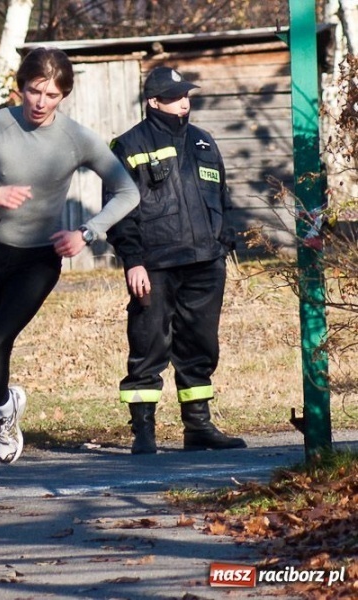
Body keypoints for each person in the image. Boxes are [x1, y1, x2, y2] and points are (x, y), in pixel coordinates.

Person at [0, 47, 140, 489]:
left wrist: (87, 232)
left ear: (63, 95)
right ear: (21, 87)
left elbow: (128, 192)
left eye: (51, 94)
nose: (40, 101)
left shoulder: (77, 139)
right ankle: (6, 406)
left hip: (40, 258)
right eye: (33, 91)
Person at [104, 66, 246, 454]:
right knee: (149, 345)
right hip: (155, 265)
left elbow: (221, 198)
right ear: (153, 101)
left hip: (205, 262)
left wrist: (223, 243)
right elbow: (119, 210)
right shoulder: (129, 145)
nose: (184, 101)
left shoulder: (204, 141)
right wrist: (132, 260)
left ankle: (198, 427)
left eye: (187, 94)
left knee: (200, 345)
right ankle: (143, 432)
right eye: (174, 95)